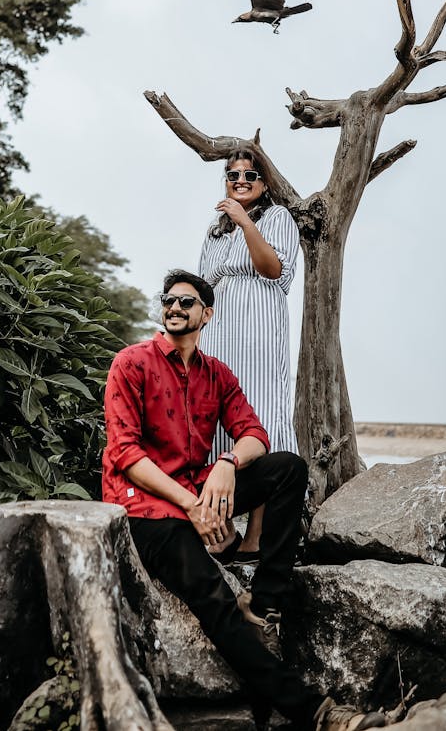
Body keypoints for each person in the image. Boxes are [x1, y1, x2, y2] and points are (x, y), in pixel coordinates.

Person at [102, 269, 385, 731]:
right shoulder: (132, 363)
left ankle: (263, 601)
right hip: (146, 508)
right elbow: (127, 456)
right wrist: (194, 508)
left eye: (186, 302)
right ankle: (316, 712)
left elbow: (255, 434)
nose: (174, 307)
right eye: (169, 300)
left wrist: (227, 462)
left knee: (288, 468)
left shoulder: (217, 374)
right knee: (211, 594)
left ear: (206, 314)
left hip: (197, 491)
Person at [199, 150, 299, 558]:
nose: (240, 180)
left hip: (258, 331)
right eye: (232, 174)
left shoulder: (276, 218)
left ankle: (257, 535)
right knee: (219, 422)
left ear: (265, 181)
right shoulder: (214, 227)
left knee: (261, 419)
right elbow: (204, 282)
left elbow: (273, 269)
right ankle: (221, 529)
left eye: (250, 174)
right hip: (219, 332)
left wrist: (245, 223)